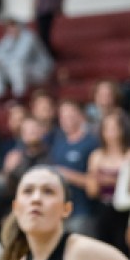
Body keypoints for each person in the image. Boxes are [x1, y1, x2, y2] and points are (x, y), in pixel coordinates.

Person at [47, 100, 99, 236]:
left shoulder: (91, 143)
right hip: (60, 212)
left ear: (80, 116)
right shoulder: (58, 143)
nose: (66, 120)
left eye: (70, 115)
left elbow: (94, 181)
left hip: (83, 211)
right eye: (63, 117)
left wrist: (67, 175)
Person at [85, 109, 130, 253]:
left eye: (115, 127)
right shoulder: (96, 156)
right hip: (103, 208)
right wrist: (113, 180)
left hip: (126, 209)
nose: (111, 132)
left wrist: (107, 180)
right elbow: (92, 190)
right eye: (107, 128)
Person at [0, 18, 53, 99]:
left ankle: (19, 96)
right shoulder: (8, 38)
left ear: (20, 26)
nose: (11, 29)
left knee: (15, 65)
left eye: (13, 26)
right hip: (22, 70)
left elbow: (20, 58)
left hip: (41, 71)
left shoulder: (29, 37)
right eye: (9, 27)